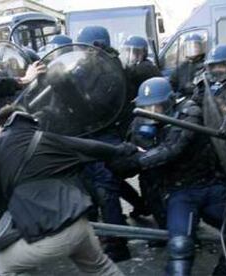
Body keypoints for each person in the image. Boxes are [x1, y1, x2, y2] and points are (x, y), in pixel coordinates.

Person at [0, 104, 140, 276]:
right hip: (80, 225)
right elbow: (94, 147)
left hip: (51, 234)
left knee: (3, 266)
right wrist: (124, 149)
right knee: (101, 268)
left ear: (0, 126)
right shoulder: (50, 139)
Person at [131, 77, 226, 275]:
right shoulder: (142, 119)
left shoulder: (189, 112)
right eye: (147, 108)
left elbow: (173, 148)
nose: (151, 113)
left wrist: (138, 161)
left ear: (168, 102)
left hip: (211, 185)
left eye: (156, 107)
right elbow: (137, 145)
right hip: (181, 192)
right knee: (180, 247)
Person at [77, 25, 144, 261]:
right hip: (91, 132)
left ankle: (117, 245)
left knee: (106, 188)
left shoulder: (109, 70)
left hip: (104, 132)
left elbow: (96, 103)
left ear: (96, 47)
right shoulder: (93, 65)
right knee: (100, 185)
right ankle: (117, 229)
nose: (83, 53)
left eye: (87, 48)